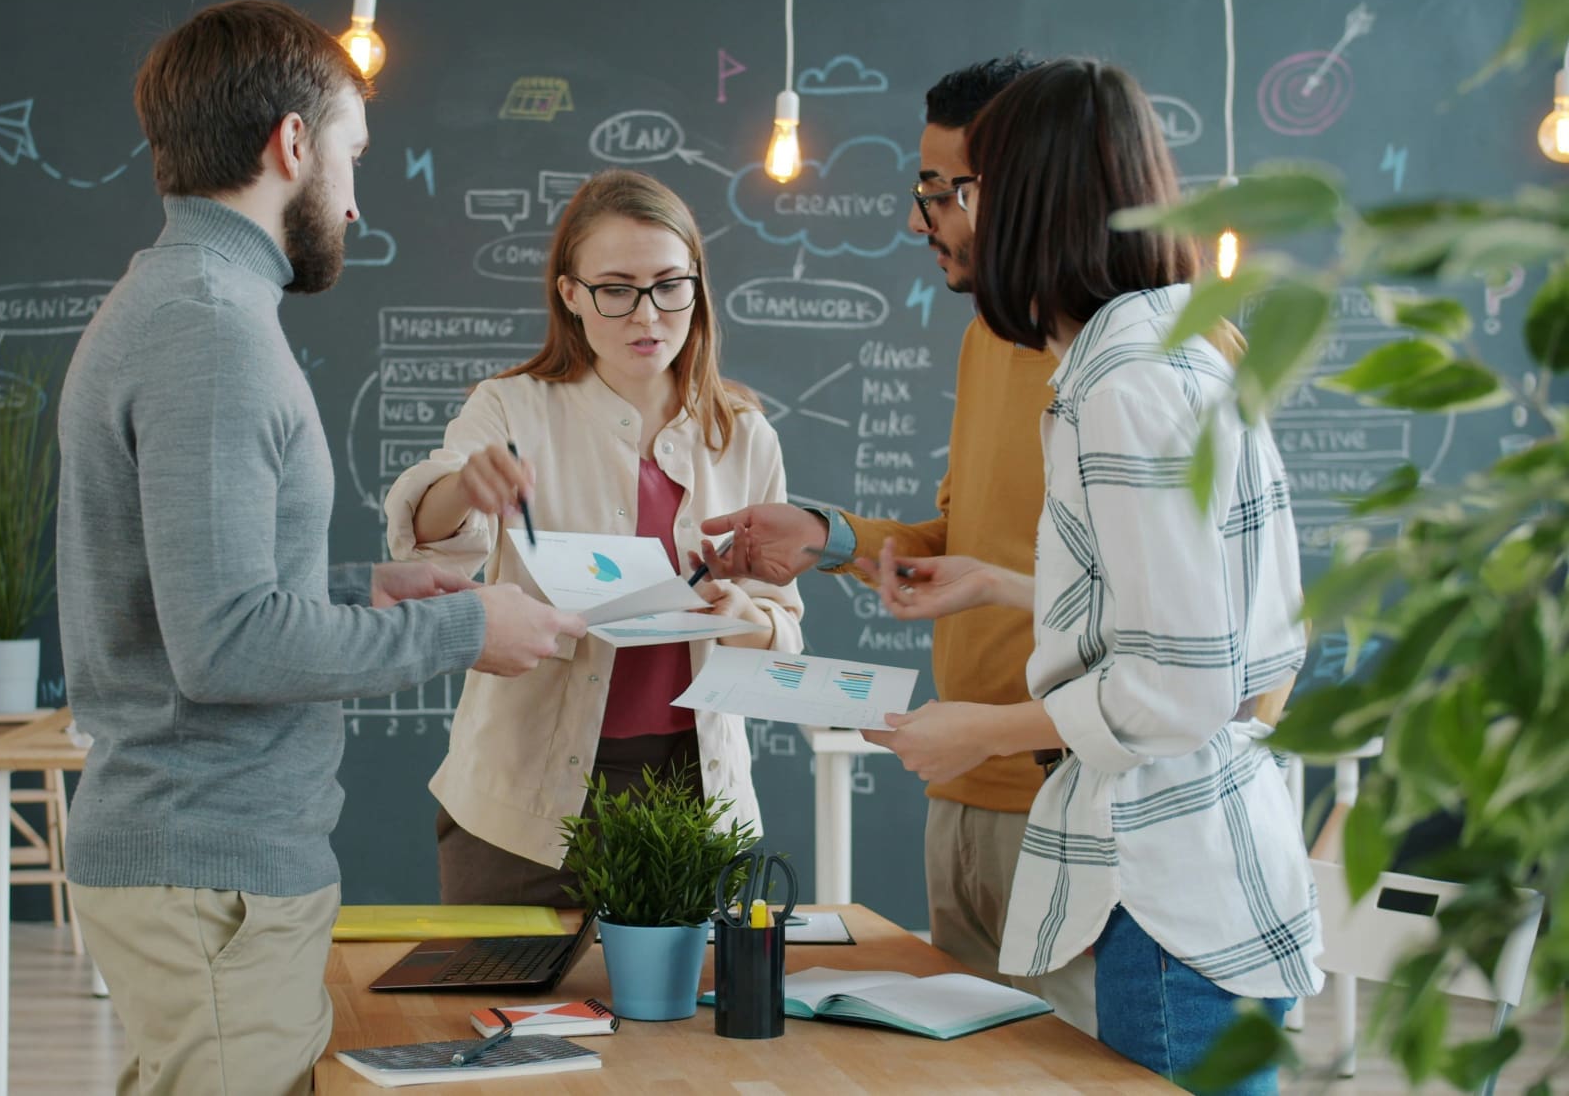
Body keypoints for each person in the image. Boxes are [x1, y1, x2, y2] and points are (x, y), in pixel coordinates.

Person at [55, 0, 583, 1096]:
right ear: (290, 144)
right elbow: (226, 649)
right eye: (349, 156)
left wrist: (365, 588)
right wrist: (463, 625)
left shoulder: (186, 303)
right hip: (209, 869)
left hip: (200, 869)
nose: (353, 197)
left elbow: (197, 597)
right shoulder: (210, 328)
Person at [860, 58, 1319, 1094]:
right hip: (1199, 887)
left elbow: (1177, 685)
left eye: (967, 190)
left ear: (1029, 199)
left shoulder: (1122, 384)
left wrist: (973, 728)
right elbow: (1201, 634)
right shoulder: (1170, 347)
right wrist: (1008, 589)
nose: (941, 216)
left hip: (1161, 899)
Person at [383, 169, 805, 905]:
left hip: (694, 795)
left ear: (698, 287)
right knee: (506, 1013)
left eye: (670, 285)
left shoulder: (745, 436)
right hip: (523, 798)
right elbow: (431, 535)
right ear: (570, 293)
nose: (647, 315)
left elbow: (784, 635)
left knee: (684, 1021)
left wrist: (747, 620)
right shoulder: (510, 406)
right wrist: (466, 486)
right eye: (616, 288)